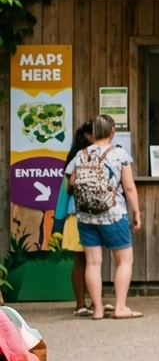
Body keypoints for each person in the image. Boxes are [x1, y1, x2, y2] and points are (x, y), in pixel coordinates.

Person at [65, 114, 142, 320]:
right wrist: (136, 211)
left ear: (94, 133)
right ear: (112, 132)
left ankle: (97, 309)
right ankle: (120, 307)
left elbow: (70, 185)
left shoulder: (80, 155)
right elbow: (129, 187)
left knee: (92, 263)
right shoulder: (119, 154)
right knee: (124, 261)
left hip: (86, 216)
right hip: (113, 214)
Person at [49, 121, 105, 317]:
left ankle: (93, 302)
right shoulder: (75, 161)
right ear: (86, 137)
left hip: (95, 215)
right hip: (76, 216)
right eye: (94, 133)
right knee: (81, 260)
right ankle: (80, 303)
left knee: (92, 260)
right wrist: (58, 223)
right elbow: (64, 195)